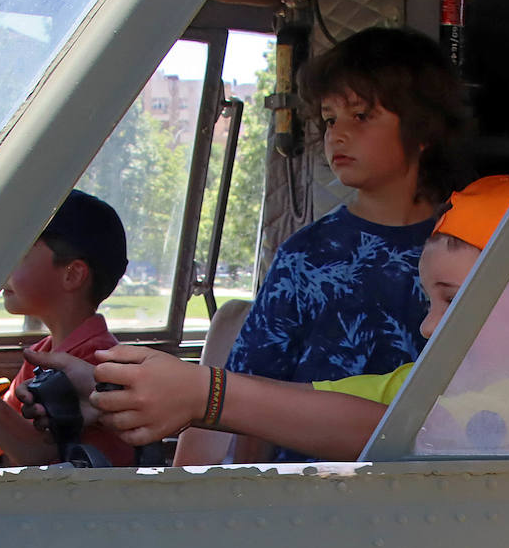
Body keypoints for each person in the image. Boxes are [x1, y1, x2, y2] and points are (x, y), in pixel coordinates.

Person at [27, 175, 509, 462]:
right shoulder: (423, 385)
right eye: (429, 301)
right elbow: (315, 403)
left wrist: (206, 394)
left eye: (451, 300)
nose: (427, 328)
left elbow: (383, 433)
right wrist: (106, 391)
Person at [179, 25, 467, 464]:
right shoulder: (305, 257)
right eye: (331, 119)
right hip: (309, 493)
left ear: (422, 129)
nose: (337, 135)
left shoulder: (468, 245)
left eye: (361, 116)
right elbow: (249, 397)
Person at [0, 189, 134, 466]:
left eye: (21, 253)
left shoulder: (98, 362)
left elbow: (37, 455)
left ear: (72, 274)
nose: (5, 267)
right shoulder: (43, 354)